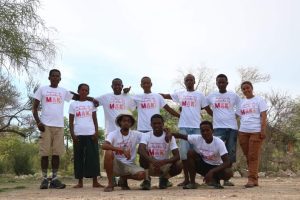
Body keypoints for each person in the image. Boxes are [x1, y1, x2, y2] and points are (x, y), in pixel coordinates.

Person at [32, 69, 97, 189]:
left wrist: (93, 100)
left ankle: (55, 179)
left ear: (60, 79)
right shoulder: (42, 89)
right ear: (49, 77)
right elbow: (34, 108)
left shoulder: (63, 91)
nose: (55, 78)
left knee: (57, 153)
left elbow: (79, 97)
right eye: (53, 76)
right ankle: (45, 179)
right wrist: (38, 122)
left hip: (59, 126)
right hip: (45, 125)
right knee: (45, 153)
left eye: (58, 76)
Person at [160, 74, 212, 187]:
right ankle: (187, 179)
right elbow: (165, 96)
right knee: (183, 154)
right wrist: (153, 95)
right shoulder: (180, 94)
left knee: (198, 153)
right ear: (184, 82)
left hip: (198, 128)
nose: (189, 81)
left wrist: (217, 119)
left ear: (194, 81)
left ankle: (204, 177)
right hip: (183, 127)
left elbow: (207, 109)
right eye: (187, 80)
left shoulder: (200, 95)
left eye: (191, 80)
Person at [172, 121, 233, 189]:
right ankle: (192, 183)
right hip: (203, 166)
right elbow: (180, 136)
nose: (205, 133)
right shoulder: (197, 138)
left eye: (207, 130)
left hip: (216, 167)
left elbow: (227, 162)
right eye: (203, 131)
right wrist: (169, 134)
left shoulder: (219, 142)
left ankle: (215, 180)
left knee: (228, 172)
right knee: (190, 153)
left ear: (212, 131)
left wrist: (211, 171)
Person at [207, 74, 240, 186]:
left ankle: (226, 178)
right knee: (216, 152)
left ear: (227, 83)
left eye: (223, 82)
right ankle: (215, 177)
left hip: (232, 128)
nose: (221, 84)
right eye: (219, 82)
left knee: (230, 152)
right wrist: (213, 114)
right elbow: (204, 105)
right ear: (216, 83)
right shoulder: (212, 95)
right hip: (218, 128)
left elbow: (240, 108)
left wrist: (233, 117)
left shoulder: (233, 95)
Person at [69, 83, 104, 188]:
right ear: (78, 91)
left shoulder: (91, 104)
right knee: (79, 157)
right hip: (78, 134)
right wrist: (72, 134)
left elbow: (95, 118)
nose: (84, 92)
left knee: (93, 158)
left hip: (91, 133)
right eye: (82, 90)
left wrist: (96, 131)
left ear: (88, 92)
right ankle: (80, 182)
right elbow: (71, 121)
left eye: (86, 90)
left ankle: (95, 182)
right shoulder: (73, 104)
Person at [102, 111, 145, 192]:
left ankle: (123, 179)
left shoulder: (136, 134)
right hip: (116, 164)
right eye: (124, 121)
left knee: (142, 175)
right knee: (108, 152)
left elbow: (150, 135)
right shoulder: (113, 134)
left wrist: (164, 130)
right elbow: (104, 146)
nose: (126, 123)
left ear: (131, 123)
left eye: (129, 121)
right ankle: (110, 183)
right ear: (120, 122)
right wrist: (122, 150)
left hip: (129, 164)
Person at [138, 114, 182, 190]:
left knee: (180, 163)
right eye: (154, 123)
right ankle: (146, 180)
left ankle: (164, 179)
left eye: (159, 123)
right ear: (151, 125)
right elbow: (140, 150)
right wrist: (152, 160)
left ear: (163, 124)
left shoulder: (169, 136)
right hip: (150, 164)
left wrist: (163, 161)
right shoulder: (146, 135)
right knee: (142, 155)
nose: (157, 125)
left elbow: (177, 155)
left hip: (164, 166)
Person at [237, 81, 267, 188]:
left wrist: (263, 130)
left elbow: (264, 116)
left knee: (253, 155)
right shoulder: (241, 102)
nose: (246, 90)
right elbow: (238, 116)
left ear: (252, 88)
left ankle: (251, 179)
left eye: (247, 88)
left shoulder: (259, 100)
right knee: (248, 156)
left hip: (256, 131)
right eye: (243, 89)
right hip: (243, 131)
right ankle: (255, 179)